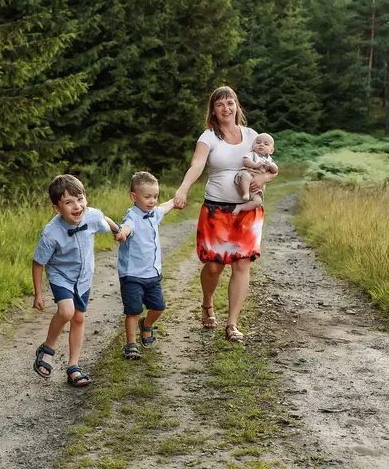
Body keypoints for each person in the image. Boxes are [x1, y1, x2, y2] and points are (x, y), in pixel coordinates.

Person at [173, 86, 276, 342]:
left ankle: (232, 324)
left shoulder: (252, 135)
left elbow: (272, 167)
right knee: (214, 266)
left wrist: (262, 178)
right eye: (220, 105)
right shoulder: (208, 137)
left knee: (242, 264)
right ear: (213, 110)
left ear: (237, 106)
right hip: (217, 208)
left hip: (248, 213)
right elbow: (196, 165)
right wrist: (183, 189)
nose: (226, 109)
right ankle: (207, 302)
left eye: (230, 103)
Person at [31, 174, 122, 387]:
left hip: (83, 277)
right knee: (66, 312)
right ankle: (47, 349)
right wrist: (38, 293)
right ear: (57, 208)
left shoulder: (91, 216)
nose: (76, 206)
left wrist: (117, 229)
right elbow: (37, 263)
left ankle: (73, 366)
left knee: (79, 319)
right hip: (61, 277)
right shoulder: (51, 233)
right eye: (68, 202)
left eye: (80, 199)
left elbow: (104, 220)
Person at [113, 171, 176, 360]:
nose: (152, 201)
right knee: (133, 310)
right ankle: (131, 344)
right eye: (147, 197)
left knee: (158, 307)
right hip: (132, 274)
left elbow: (164, 208)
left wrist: (175, 200)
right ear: (134, 196)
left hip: (152, 273)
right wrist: (122, 233)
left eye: (155, 196)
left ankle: (146, 325)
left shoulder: (153, 213)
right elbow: (127, 227)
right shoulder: (132, 216)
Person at [233, 132, 278, 216]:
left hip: (256, 186)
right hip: (248, 174)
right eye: (258, 143)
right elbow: (246, 161)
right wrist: (255, 165)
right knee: (245, 175)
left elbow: (275, 170)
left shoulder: (269, 159)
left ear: (271, 150)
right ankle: (246, 193)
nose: (261, 145)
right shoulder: (252, 154)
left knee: (258, 201)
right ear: (253, 146)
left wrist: (271, 166)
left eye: (266, 144)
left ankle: (240, 207)